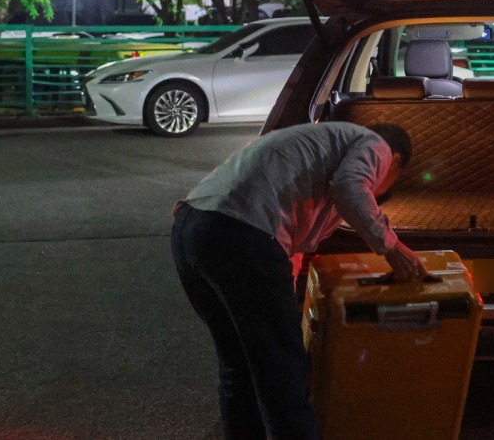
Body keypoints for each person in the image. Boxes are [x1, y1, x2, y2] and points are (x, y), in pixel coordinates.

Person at [170, 121, 427, 440]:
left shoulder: (321, 143)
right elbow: (350, 187)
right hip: (242, 235)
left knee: (240, 366)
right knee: (285, 376)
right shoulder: (377, 145)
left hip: (191, 230)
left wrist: (287, 305)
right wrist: (392, 248)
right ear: (397, 161)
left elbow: (290, 248)